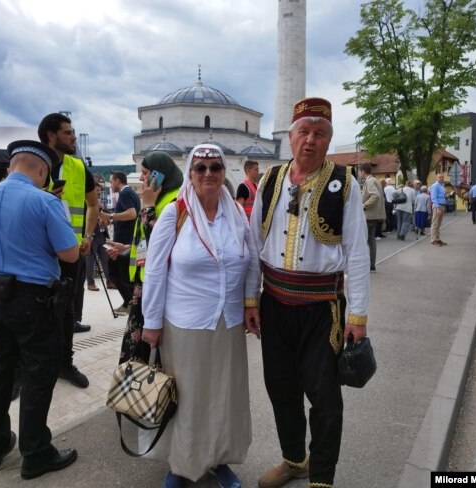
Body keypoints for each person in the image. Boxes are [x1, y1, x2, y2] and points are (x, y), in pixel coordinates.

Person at [245, 98, 370, 488]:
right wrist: (251, 299)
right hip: (274, 304)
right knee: (280, 388)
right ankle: (294, 459)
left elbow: (358, 252)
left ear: (329, 140)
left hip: (322, 309)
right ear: (290, 137)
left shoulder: (344, 183)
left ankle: (322, 477)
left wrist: (358, 316)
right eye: (304, 132)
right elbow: (253, 245)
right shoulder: (270, 180)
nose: (310, 140)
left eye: (320, 133)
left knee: (325, 398)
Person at [140, 143, 255, 488]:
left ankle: (218, 459)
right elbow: (156, 271)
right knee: (186, 398)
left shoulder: (236, 213)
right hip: (184, 323)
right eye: (200, 168)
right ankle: (180, 464)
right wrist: (152, 322)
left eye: (215, 168)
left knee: (223, 396)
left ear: (224, 173)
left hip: (228, 322)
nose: (208, 174)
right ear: (190, 174)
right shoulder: (175, 214)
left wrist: (250, 303)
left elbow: (250, 260)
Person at [0, 140, 79, 480]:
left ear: (10, 166)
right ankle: (35, 452)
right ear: (43, 172)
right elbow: (70, 255)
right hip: (35, 300)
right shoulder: (45, 201)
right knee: (37, 374)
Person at [38, 113, 99, 388]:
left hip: (70, 252)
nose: (73, 136)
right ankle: (25, 369)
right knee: (34, 310)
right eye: (67, 132)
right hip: (37, 253)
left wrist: (87, 235)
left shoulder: (78, 166)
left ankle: (65, 363)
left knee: (66, 312)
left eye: (73, 132)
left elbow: (93, 204)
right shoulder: (33, 164)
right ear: (50, 135)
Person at [109, 152, 183, 364]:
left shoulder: (175, 200)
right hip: (145, 284)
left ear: (159, 176)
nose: (141, 178)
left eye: (145, 173)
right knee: (136, 350)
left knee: (148, 352)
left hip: (160, 287)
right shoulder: (158, 198)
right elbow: (146, 240)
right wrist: (125, 247)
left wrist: (148, 207)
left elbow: (161, 244)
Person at [102, 171, 140, 313]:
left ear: (118, 181)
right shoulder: (132, 193)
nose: (111, 185)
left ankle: (129, 302)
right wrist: (112, 220)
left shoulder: (125, 193)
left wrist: (110, 215)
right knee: (123, 273)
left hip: (124, 241)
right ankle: (129, 302)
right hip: (128, 240)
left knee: (114, 273)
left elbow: (131, 214)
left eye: (111, 182)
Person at [85, 184, 114, 291]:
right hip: (92, 236)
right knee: (90, 260)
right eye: (97, 190)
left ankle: (109, 281)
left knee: (105, 258)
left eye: (99, 190)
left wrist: (107, 221)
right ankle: (90, 283)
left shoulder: (101, 204)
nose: (98, 192)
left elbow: (108, 216)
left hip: (102, 235)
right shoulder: (88, 204)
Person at [360, 163, 385, 271]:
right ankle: (372, 265)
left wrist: (364, 205)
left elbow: (375, 195)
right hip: (375, 215)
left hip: (368, 215)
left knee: (363, 241)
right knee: (371, 240)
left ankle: (364, 265)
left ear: (362, 171)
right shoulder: (376, 181)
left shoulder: (369, 181)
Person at [429, 173, 450, 247]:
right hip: (438, 206)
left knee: (439, 223)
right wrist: (437, 207)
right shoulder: (435, 186)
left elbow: (441, 196)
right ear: (436, 178)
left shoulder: (441, 186)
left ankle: (437, 239)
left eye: (442, 177)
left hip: (442, 205)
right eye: (439, 177)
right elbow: (433, 197)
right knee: (435, 223)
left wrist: (446, 196)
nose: (441, 178)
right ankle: (433, 240)